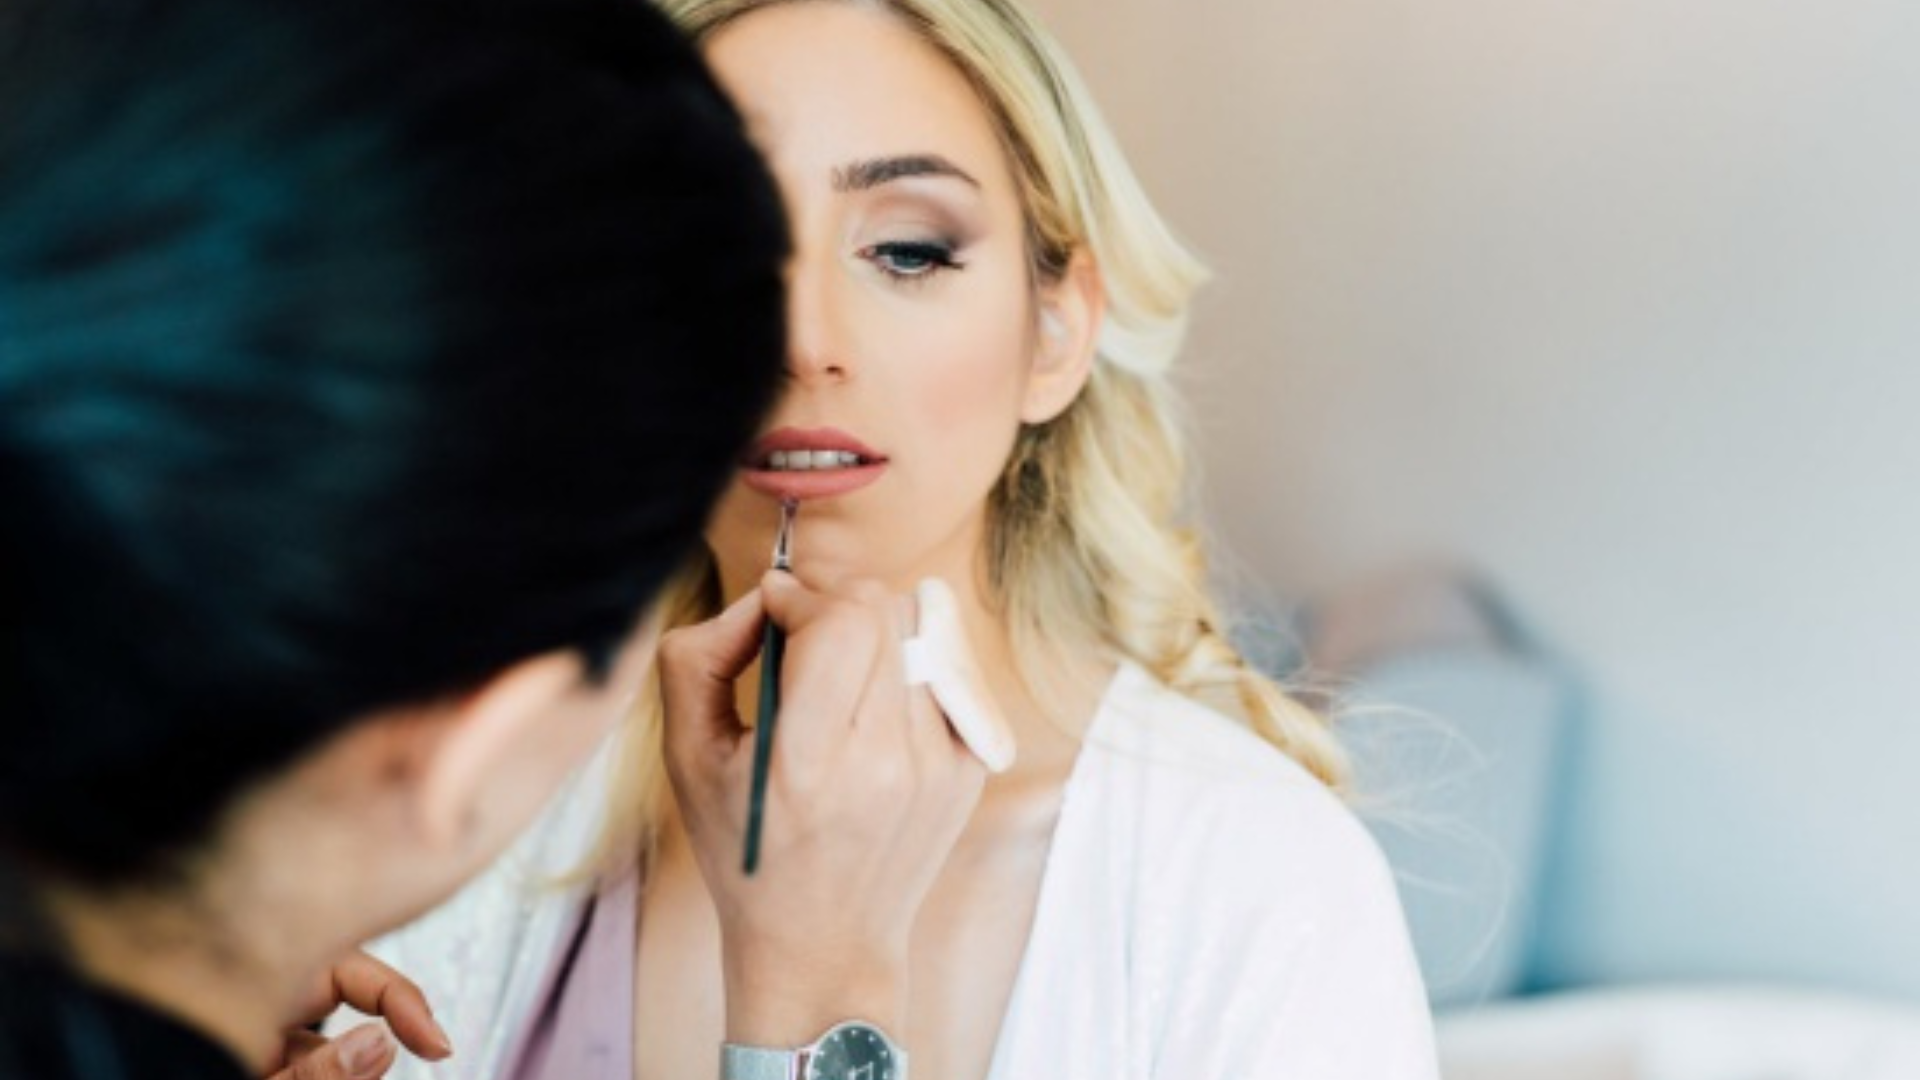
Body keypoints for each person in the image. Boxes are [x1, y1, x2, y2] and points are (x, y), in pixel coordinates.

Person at [370, 0, 1442, 1078]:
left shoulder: (1262, 884)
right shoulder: (464, 805)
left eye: (908, 251)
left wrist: (817, 1005)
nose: (801, 341)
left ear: (1056, 331)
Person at [0, 0, 984, 1077]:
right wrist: (824, 1014)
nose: (800, 347)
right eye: (758, 283)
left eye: (907, 248)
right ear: (466, 748)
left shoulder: (1189, 865)